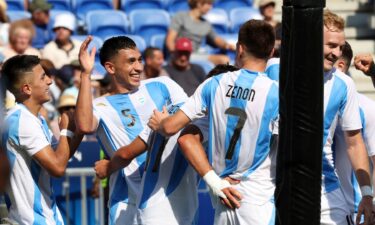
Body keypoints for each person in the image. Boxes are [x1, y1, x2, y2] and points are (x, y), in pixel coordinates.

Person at [149, 19, 279, 225]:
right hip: (257, 200)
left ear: (240, 48)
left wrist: (160, 123)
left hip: (223, 194)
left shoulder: (214, 83)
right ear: (271, 52)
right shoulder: (277, 93)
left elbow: (172, 128)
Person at [94, 63, 239, 225]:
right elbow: (189, 143)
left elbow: (127, 153)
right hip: (168, 211)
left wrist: (108, 166)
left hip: (158, 207)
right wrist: (217, 181)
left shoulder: (165, 114)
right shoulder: (207, 121)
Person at [75, 36, 187, 225]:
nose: (139, 67)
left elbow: (189, 117)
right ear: (110, 68)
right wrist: (85, 74)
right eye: (131, 61)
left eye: (139, 60)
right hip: (126, 202)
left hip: (168, 197)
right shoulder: (100, 105)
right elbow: (85, 126)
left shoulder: (163, 85)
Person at [1, 55, 83, 224]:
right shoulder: (22, 122)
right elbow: (58, 168)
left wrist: (79, 130)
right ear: (27, 88)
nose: (50, 81)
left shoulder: (35, 119)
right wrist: (66, 131)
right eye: (43, 77)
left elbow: (60, 156)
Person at [318, 10, 372, 225]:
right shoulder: (276, 70)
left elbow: (354, 142)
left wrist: (367, 194)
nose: (336, 53)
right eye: (331, 45)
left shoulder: (344, 84)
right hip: (273, 184)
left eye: (340, 47)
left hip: (326, 187)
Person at [333, 41, 375, 223]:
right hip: (314, 205)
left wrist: (369, 200)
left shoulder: (365, 108)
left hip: (353, 211)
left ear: (340, 66)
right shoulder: (308, 101)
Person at [165, 0, 235, 65]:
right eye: (208, 4)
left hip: (195, 54)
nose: (210, 7)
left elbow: (217, 39)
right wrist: (176, 55)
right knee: (223, 60)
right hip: (180, 54)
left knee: (225, 60)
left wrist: (227, 45)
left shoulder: (206, 23)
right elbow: (170, 40)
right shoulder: (180, 16)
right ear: (199, 4)